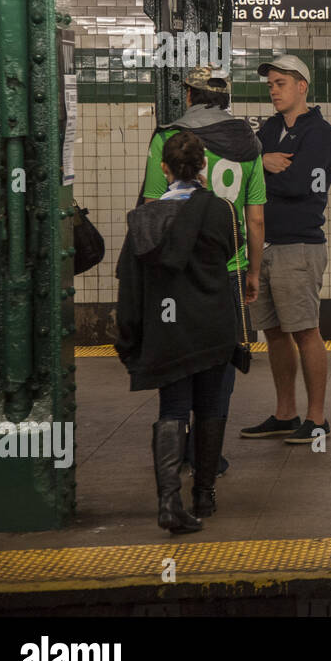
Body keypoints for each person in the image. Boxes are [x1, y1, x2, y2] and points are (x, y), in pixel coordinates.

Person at [142, 66, 264, 477]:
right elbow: (256, 218)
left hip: (176, 275)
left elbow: (152, 208)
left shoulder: (168, 138)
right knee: (222, 365)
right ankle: (207, 457)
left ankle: (174, 460)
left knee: (178, 361)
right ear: (226, 100)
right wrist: (251, 271)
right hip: (227, 271)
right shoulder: (249, 143)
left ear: (190, 97)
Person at [115, 131, 239, 534]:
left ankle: (169, 503)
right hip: (212, 326)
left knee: (172, 411)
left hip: (168, 331)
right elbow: (226, 256)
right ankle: (204, 494)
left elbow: (129, 286)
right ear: (202, 167)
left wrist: (130, 340)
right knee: (211, 408)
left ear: (164, 169)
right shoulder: (220, 211)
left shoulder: (143, 221)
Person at [240, 54, 331, 445]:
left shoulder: (321, 133)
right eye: (270, 85)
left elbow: (302, 185)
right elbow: (247, 172)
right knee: (274, 333)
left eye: (280, 83)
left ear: (302, 86)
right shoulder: (268, 129)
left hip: (299, 246)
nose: (273, 90)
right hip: (263, 247)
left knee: (305, 331)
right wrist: (262, 162)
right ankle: (285, 413)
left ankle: (317, 419)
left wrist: (257, 171)